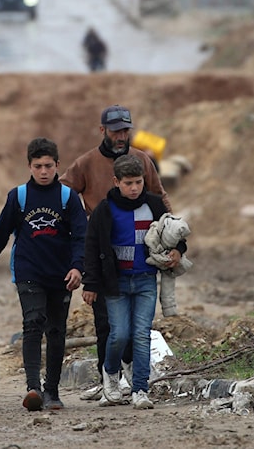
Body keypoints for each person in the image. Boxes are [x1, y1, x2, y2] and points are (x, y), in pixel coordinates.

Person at [60, 105, 170, 405]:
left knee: (137, 330)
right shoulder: (86, 163)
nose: (121, 136)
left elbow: (160, 199)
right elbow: (63, 195)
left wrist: (173, 237)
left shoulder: (143, 160)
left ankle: (135, 383)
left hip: (140, 259)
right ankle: (107, 380)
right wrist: (79, 229)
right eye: (115, 131)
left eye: (125, 130)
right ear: (102, 131)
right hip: (103, 254)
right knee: (107, 326)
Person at [0, 137, 87, 412]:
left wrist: (77, 267)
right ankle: (33, 387)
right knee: (33, 322)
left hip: (62, 274)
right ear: (29, 166)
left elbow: (81, 237)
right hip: (29, 271)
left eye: (48, 166)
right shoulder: (19, 197)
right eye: (38, 166)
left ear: (58, 165)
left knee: (57, 330)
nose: (44, 171)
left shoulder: (68, 197)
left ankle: (52, 392)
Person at [82, 153, 181, 410]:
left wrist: (179, 250)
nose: (134, 188)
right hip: (116, 284)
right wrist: (91, 284)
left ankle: (140, 389)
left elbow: (175, 232)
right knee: (118, 335)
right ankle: (111, 376)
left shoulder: (155, 205)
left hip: (146, 281)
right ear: (116, 182)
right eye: (128, 183)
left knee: (141, 335)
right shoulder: (104, 210)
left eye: (138, 182)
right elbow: (92, 248)